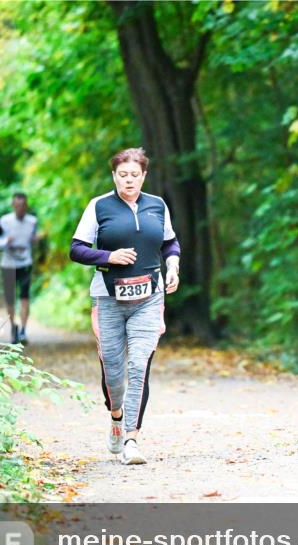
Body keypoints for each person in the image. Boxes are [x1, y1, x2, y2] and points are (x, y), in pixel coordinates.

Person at [70, 147, 180, 466]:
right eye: (123, 175)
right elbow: (76, 250)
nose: (128, 180)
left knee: (140, 365)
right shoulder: (99, 206)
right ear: (114, 176)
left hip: (149, 297)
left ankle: (132, 438)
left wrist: (173, 266)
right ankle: (116, 418)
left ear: (143, 176)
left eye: (135, 175)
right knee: (114, 371)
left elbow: (170, 242)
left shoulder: (157, 205)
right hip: (108, 297)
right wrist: (108, 257)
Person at [0, 192, 42, 344]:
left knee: (25, 297)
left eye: (23, 205)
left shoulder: (32, 221)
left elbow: (34, 239)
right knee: (10, 300)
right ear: (13, 206)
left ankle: (23, 331)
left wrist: (35, 240)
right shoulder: (4, 221)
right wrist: (6, 241)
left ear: (26, 206)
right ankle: (13, 327)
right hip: (8, 264)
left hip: (25, 263)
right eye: (17, 205)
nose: (20, 208)